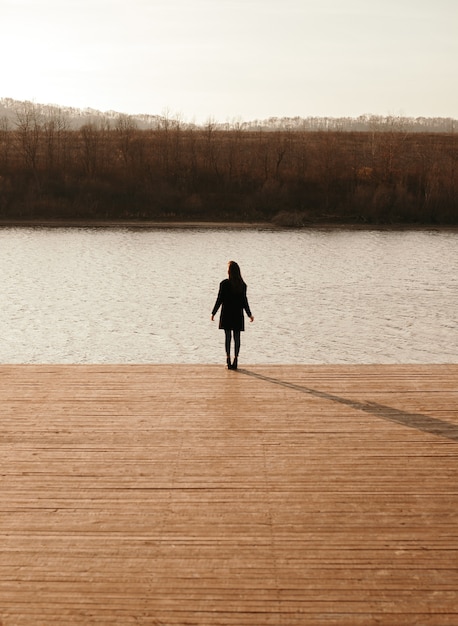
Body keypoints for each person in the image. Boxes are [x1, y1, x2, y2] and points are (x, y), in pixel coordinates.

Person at [211, 261, 254, 370]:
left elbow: (219, 299)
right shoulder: (242, 285)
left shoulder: (224, 284)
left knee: (228, 337)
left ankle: (228, 359)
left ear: (229, 271)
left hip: (226, 314)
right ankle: (236, 359)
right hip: (237, 315)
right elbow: (245, 301)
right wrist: (249, 314)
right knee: (237, 337)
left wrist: (213, 312)